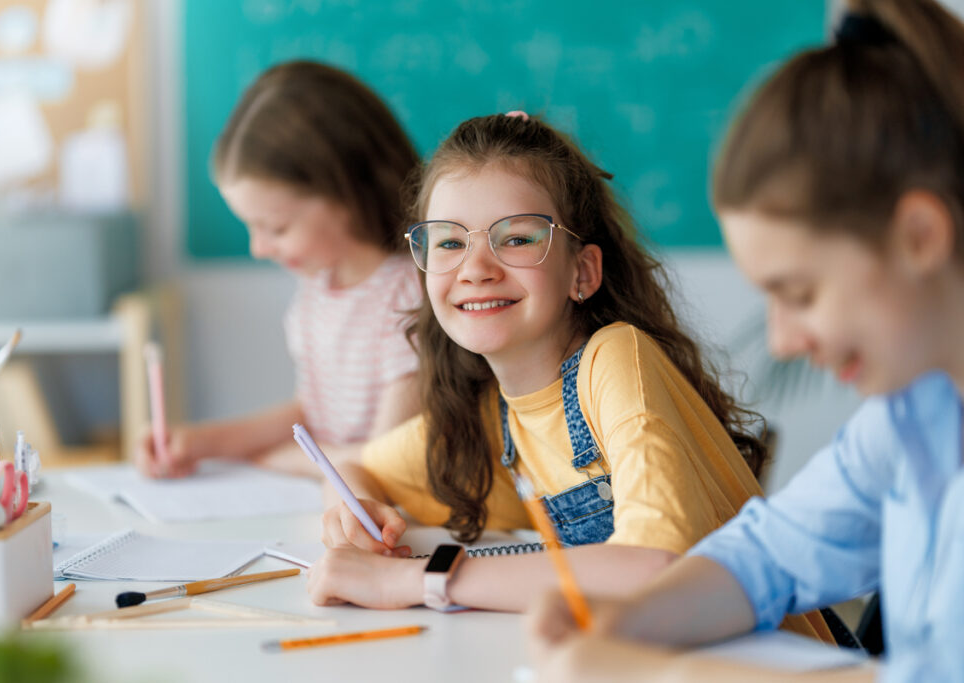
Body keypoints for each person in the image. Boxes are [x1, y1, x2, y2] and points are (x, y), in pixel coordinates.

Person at [528, 1, 964, 680]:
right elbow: (773, 553)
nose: (784, 340)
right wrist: (624, 621)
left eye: (798, 292)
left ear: (919, 237)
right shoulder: (912, 416)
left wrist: (662, 672)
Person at [305, 112, 829, 640]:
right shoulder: (492, 416)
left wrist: (416, 580)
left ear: (582, 272)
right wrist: (352, 518)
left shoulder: (614, 359)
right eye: (447, 242)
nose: (475, 267)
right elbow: (352, 466)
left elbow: (654, 567)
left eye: (516, 239)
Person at [136, 61, 423, 479]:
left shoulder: (409, 296)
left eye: (276, 228)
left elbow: (385, 460)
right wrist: (198, 443)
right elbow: (313, 413)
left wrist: (274, 460)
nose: (258, 247)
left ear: (346, 190)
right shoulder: (319, 289)